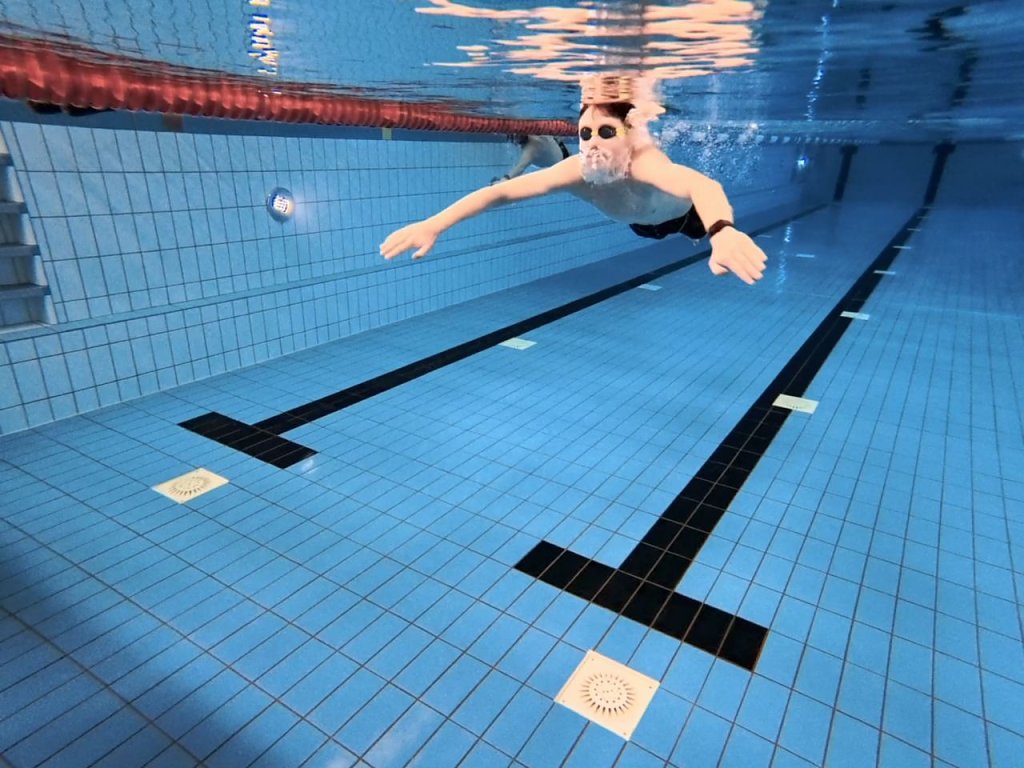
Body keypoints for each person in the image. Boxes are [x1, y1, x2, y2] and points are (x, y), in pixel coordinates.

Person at [381, 101, 767, 285]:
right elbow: (499, 194)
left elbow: (703, 186)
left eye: (606, 132)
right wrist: (435, 224)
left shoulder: (644, 163)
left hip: (686, 218)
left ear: (630, 135)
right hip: (640, 225)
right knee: (649, 229)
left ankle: (700, 236)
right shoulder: (575, 171)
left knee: (696, 233)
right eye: (585, 133)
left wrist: (722, 231)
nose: (593, 142)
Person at [491, 135, 571, 184]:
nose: (515, 136)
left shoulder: (531, 149)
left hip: (561, 165)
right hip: (561, 153)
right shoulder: (536, 133)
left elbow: (519, 168)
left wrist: (503, 180)